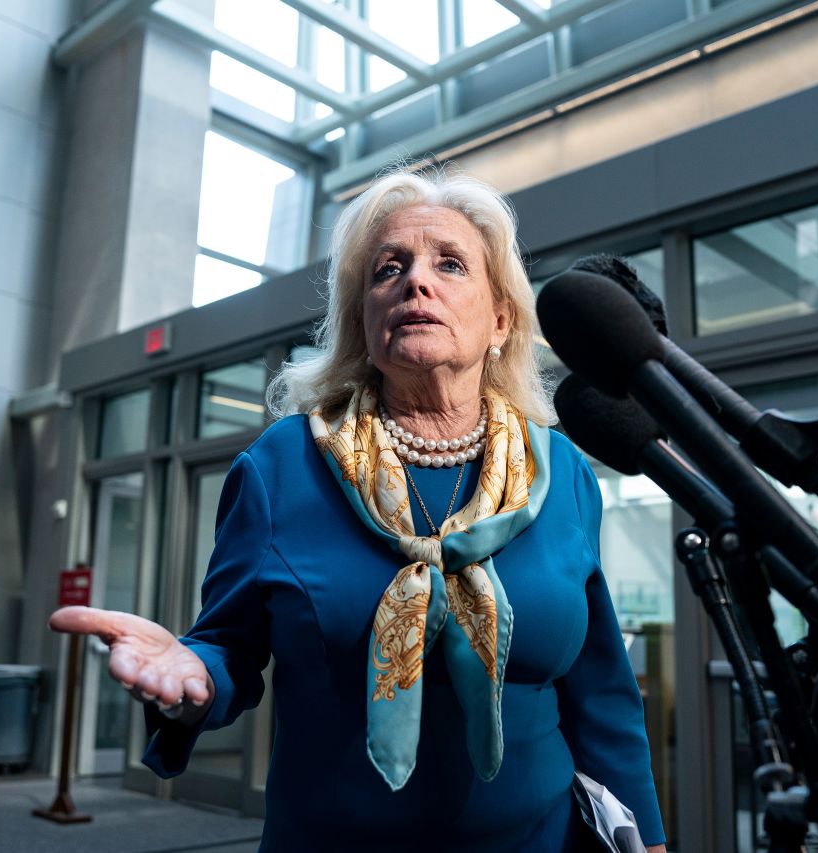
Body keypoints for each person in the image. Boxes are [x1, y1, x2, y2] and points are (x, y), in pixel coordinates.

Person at [50, 169, 668, 852]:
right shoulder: (283, 465)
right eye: (388, 269)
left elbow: (601, 689)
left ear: (500, 319)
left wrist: (648, 838)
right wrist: (191, 673)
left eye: (451, 264)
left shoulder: (562, 473)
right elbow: (227, 644)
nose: (415, 282)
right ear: (362, 320)